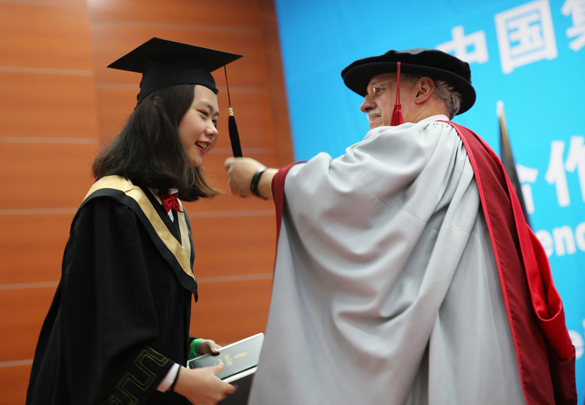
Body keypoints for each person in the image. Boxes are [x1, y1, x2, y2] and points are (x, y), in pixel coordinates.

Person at [224, 49, 577, 405]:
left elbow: (339, 189)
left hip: (451, 339)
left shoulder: (423, 139)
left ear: (422, 90)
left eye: (377, 90)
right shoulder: (474, 150)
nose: (364, 104)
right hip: (485, 340)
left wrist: (259, 178)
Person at [27, 38, 241, 405]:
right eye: (204, 114)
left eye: (217, 120)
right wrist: (179, 379)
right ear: (160, 109)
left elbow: (140, 313)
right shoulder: (112, 207)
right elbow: (99, 325)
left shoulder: (167, 207)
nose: (213, 130)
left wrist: (187, 345)